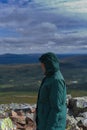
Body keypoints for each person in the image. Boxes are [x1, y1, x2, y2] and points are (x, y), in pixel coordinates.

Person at [35, 52, 67, 130]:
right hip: (45, 122)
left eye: (43, 65)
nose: (42, 67)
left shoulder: (57, 81)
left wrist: (51, 128)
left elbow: (56, 108)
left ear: (49, 65)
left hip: (52, 125)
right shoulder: (50, 77)